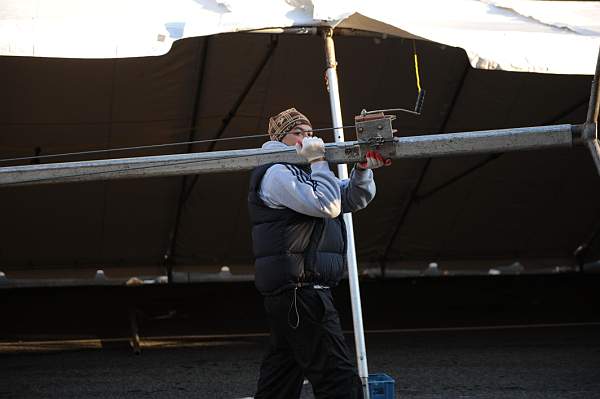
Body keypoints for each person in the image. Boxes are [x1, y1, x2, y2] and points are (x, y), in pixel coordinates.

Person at [248, 108, 388, 399]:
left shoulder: (299, 170)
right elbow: (328, 205)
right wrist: (318, 160)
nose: (308, 138)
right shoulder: (277, 172)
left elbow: (351, 197)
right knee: (337, 378)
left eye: (310, 132)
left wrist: (362, 170)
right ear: (279, 138)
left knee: (280, 379)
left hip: (295, 294)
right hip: (301, 292)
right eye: (298, 132)